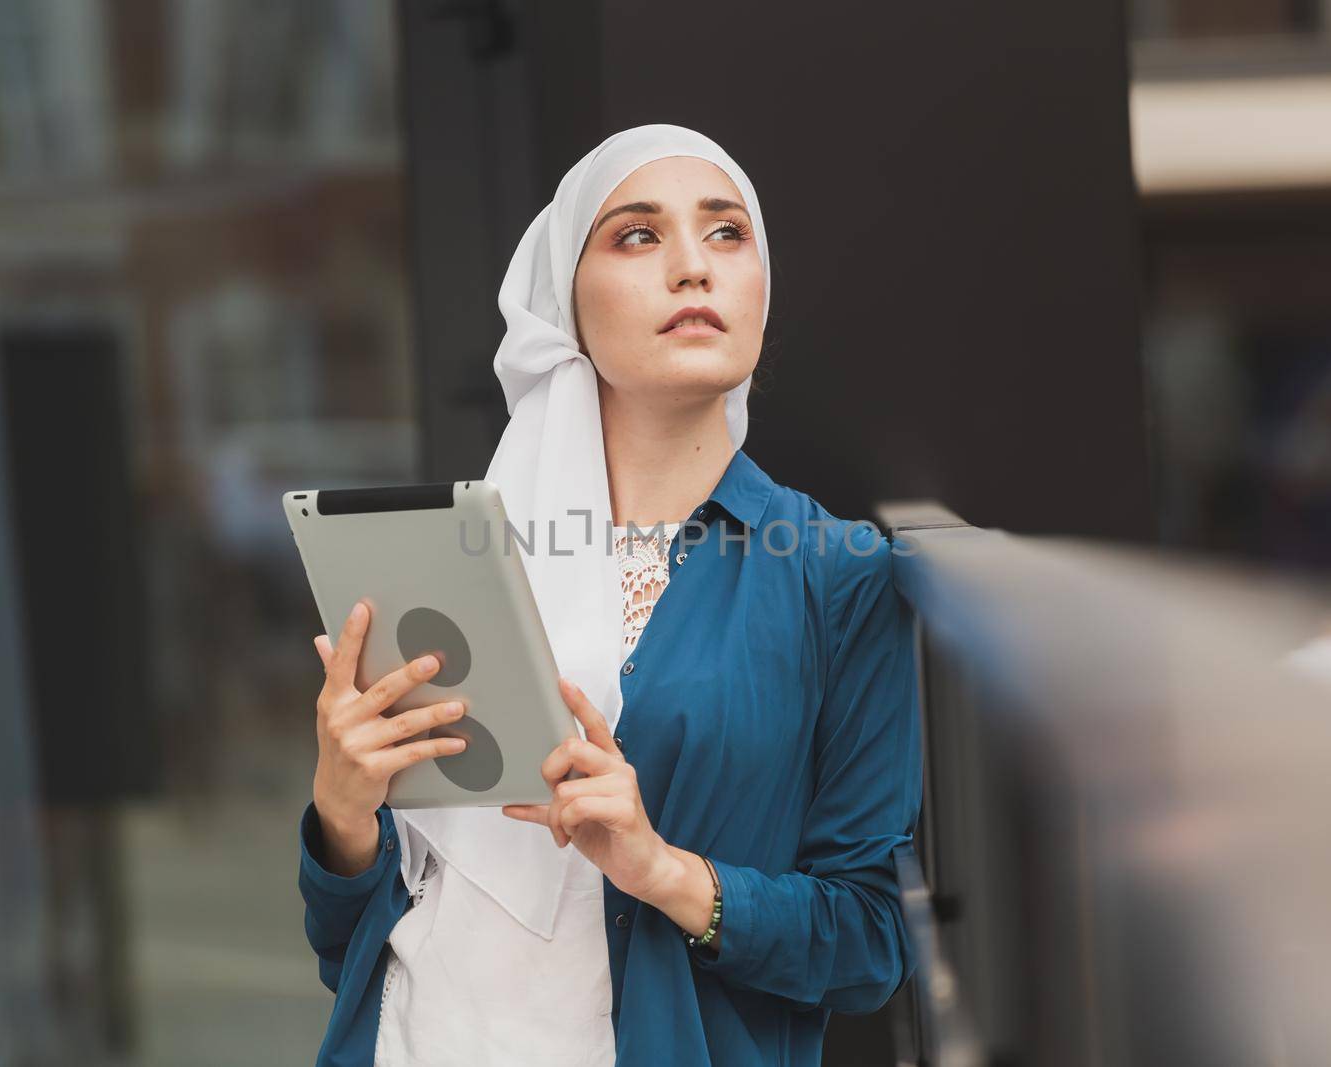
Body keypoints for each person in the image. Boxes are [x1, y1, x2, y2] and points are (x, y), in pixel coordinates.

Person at [297, 123, 924, 1066]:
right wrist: (342, 817)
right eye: (638, 235)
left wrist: (663, 871)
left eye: (726, 233)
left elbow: (870, 943)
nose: (691, 268)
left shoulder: (836, 572)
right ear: (567, 306)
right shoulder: (455, 557)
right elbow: (349, 942)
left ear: (761, 286)